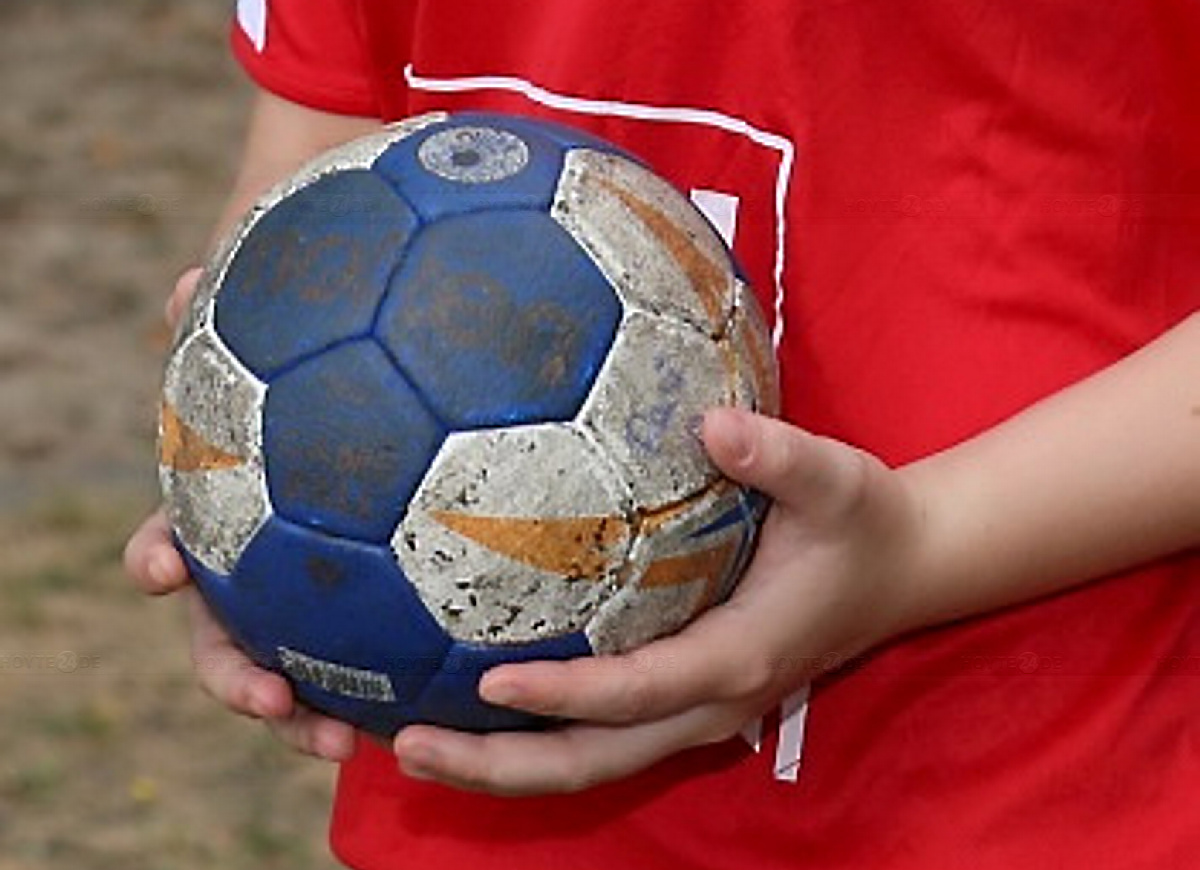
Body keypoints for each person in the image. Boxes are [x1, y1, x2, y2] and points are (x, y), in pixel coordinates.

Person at [126, 0, 1200, 867]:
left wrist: (923, 546)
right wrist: (259, 498)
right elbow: (331, 132)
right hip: (491, 803)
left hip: (1029, 783)